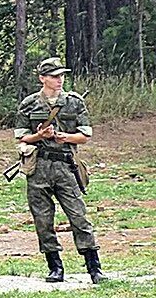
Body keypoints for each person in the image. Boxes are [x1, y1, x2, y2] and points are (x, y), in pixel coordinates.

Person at [14, 57, 105, 283]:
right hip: (39, 167)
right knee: (43, 219)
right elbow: (21, 136)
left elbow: (85, 135)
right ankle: (54, 266)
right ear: (42, 78)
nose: (59, 80)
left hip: (66, 165)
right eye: (54, 76)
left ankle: (94, 266)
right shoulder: (29, 104)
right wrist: (39, 136)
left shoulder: (74, 102)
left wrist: (66, 138)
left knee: (78, 215)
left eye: (61, 76)